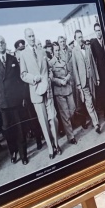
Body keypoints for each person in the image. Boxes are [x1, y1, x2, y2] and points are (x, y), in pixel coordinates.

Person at [0, 35, 31, 166]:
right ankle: (13, 152)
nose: (1, 45)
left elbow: (20, 80)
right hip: (3, 103)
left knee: (20, 129)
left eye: (2, 42)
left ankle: (23, 154)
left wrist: (23, 97)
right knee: (7, 130)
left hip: (16, 101)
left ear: (5, 44)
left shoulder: (13, 59)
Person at [20, 28, 61, 159]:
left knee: (53, 118)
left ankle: (56, 144)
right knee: (43, 121)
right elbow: (23, 75)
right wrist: (34, 79)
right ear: (26, 38)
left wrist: (49, 77)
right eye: (29, 36)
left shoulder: (42, 51)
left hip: (48, 90)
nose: (32, 38)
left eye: (33, 36)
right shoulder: (23, 54)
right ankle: (50, 147)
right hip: (36, 93)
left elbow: (49, 69)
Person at [71, 29, 101, 134]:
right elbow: (75, 69)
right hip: (83, 82)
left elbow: (93, 63)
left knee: (94, 99)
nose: (81, 39)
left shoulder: (88, 47)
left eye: (81, 36)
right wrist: (78, 85)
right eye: (78, 37)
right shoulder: (74, 52)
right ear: (75, 39)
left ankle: (95, 119)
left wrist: (97, 77)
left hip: (91, 78)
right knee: (89, 103)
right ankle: (96, 123)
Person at [50, 42, 78, 145]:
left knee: (72, 110)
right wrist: (60, 81)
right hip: (60, 92)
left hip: (68, 89)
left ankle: (70, 131)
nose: (58, 52)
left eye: (58, 50)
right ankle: (71, 137)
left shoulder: (63, 60)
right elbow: (51, 77)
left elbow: (70, 72)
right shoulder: (51, 63)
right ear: (53, 51)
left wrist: (67, 78)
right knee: (65, 115)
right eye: (56, 50)